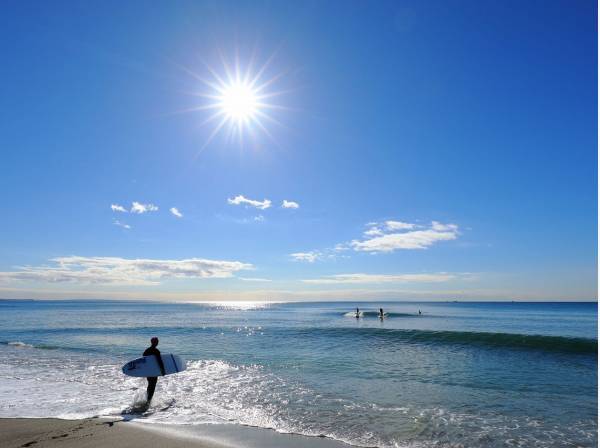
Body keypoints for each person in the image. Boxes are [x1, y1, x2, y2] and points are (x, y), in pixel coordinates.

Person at [143, 337, 165, 403]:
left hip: (148, 371)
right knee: (153, 386)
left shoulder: (146, 351)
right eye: (157, 341)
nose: (158, 342)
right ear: (155, 342)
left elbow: (143, 360)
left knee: (150, 384)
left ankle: (147, 399)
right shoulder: (156, 351)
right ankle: (149, 401)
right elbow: (159, 361)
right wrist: (162, 370)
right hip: (154, 371)